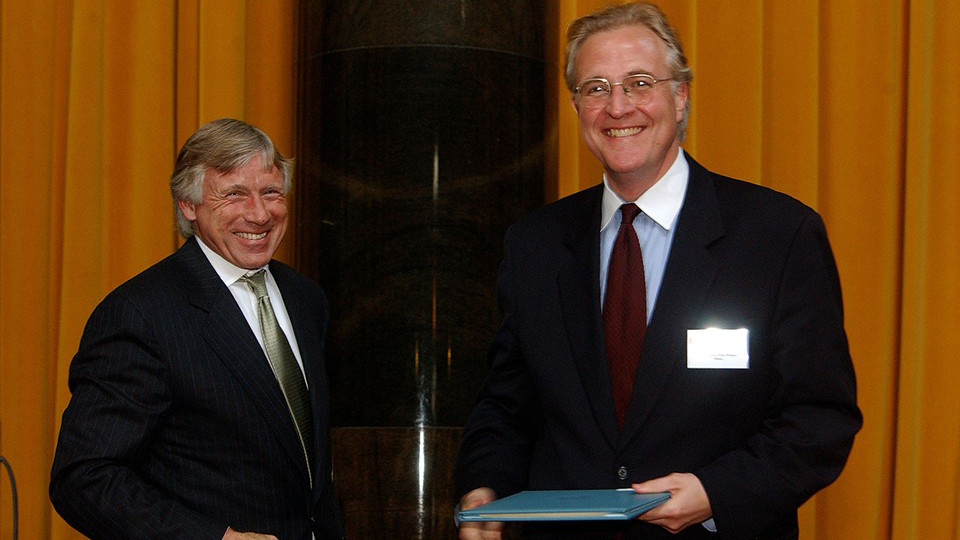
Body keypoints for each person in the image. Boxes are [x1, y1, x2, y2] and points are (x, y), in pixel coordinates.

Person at [454, 3, 861, 539]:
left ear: (681, 95)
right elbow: (506, 407)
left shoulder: (777, 235)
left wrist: (716, 493)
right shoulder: (534, 244)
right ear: (577, 106)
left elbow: (819, 418)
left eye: (639, 83)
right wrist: (486, 485)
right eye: (595, 88)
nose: (618, 107)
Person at [50, 118, 344, 540]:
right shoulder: (141, 314)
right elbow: (84, 477)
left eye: (271, 193)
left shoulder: (306, 299)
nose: (259, 214)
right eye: (234, 195)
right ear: (189, 206)